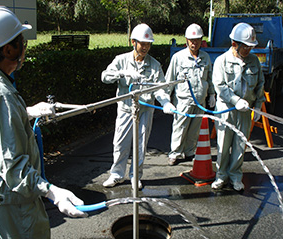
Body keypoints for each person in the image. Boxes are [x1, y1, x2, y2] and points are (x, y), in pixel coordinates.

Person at [0, 6, 87, 239]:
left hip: (0, 202)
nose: (24, 47)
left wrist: (25, 112)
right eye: (21, 41)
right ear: (8, 49)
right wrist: (51, 192)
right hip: (14, 206)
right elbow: (12, 167)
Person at [101, 23, 175, 190]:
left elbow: (160, 88)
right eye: (142, 44)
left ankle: (135, 176)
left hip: (145, 110)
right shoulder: (121, 60)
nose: (145, 48)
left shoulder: (154, 65)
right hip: (126, 109)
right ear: (133, 42)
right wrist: (122, 73)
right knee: (120, 143)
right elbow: (104, 77)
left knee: (141, 144)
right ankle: (117, 175)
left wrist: (166, 102)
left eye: (148, 44)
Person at [211, 23, 265, 191]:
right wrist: (235, 101)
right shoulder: (221, 61)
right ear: (235, 44)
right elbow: (220, 85)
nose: (249, 50)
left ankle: (236, 176)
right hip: (226, 110)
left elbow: (260, 84)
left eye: (250, 47)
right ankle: (221, 176)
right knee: (223, 145)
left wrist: (257, 106)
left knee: (240, 146)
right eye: (246, 47)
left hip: (245, 111)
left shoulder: (254, 60)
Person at [165, 23, 215, 166]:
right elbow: (170, 80)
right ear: (186, 40)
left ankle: (189, 152)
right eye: (192, 40)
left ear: (201, 40)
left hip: (200, 100)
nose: (194, 43)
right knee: (180, 127)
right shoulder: (178, 57)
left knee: (195, 128)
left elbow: (209, 78)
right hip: (183, 100)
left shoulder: (205, 57)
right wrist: (166, 100)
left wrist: (212, 94)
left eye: (197, 40)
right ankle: (175, 153)